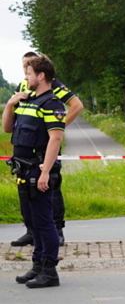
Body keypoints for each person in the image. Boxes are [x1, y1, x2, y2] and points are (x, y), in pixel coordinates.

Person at [3, 54, 66, 288]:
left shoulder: (51, 104)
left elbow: (55, 139)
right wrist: (10, 104)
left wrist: (45, 172)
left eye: (28, 73)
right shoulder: (28, 100)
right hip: (23, 170)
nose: (25, 77)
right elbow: (8, 127)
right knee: (32, 222)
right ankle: (37, 264)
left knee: (44, 222)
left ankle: (49, 271)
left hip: (38, 171)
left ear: (40, 76)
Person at [9, 51, 83, 247]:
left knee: (51, 189)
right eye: (24, 67)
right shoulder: (23, 86)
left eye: (29, 68)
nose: (25, 72)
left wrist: (55, 128)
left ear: (39, 73)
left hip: (43, 151)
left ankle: (57, 229)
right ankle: (31, 231)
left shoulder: (54, 87)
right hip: (24, 154)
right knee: (26, 192)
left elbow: (77, 106)